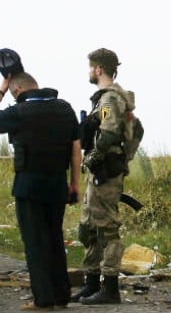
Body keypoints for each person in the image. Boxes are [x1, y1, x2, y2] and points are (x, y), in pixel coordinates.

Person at [0, 58, 81, 311]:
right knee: (55, 239)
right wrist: (75, 183)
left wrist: (2, 88)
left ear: (18, 90)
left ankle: (43, 300)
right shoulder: (65, 108)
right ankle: (61, 295)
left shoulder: (18, 113)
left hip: (28, 187)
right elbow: (75, 148)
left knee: (35, 243)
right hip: (58, 186)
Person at [74, 48, 135, 306]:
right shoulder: (104, 99)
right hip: (100, 173)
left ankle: (110, 288)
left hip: (105, 173)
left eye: (91, 67)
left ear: (98, 69)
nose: (89, 72)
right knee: (89, 227)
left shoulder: (110, 99)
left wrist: (92, 158)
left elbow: (109, 133)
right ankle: (91, 283)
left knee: (107, 230)